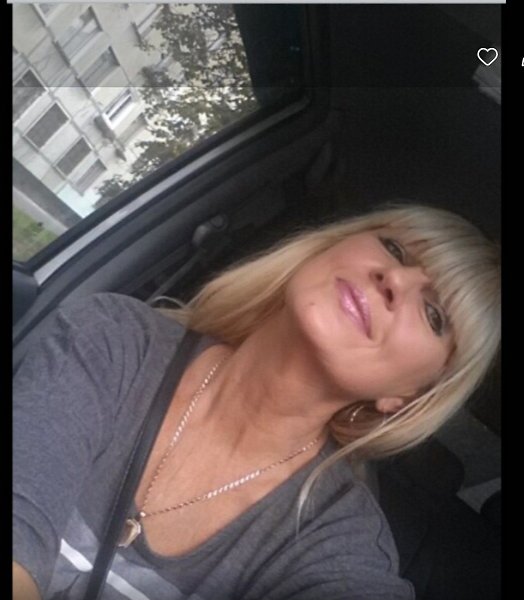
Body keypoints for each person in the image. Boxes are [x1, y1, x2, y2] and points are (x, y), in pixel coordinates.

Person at [13, 204, 500, 600]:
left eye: (434, 314)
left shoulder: (335, 542)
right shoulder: (115, 339)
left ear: (407, 396)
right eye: (394, 248)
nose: (394, 280)